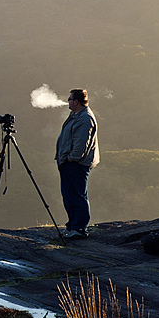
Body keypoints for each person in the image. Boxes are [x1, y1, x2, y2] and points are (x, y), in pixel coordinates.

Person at [55, 88, 99, 239]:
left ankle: (79, 228)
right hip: (70, 163)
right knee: (69, 195)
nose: (67, 101)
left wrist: (71, 158)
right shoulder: (76, 115)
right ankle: (73, 225)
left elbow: (81, 145)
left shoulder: (84, 118)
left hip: (76, 164)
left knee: (76, 195)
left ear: (76, 101)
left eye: (69, 99)